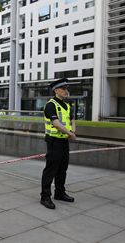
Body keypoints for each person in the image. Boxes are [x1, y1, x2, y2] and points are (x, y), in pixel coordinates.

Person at [40, 78, 76, 210]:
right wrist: (70, 134)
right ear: (56, 90)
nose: (66, 91)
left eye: (67, 88)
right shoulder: (50, 105)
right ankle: (45, 196)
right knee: (51, 169)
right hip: (54, 141)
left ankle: (59, 193)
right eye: (63, 88)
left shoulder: (67, 105)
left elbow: (72, 120)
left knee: (62, 169)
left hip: (64, 141)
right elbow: (56, 123)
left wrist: (72, 130)